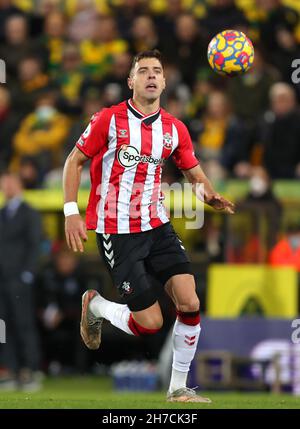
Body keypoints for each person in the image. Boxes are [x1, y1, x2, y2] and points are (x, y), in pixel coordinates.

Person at [62, 50, 235, 403]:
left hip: (157, 226)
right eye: (143, 71)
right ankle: (95, 306)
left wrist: (210, 195)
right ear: (131, 81)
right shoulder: (108, 120)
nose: (151, 76)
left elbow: (193, 172)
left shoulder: (174, 128)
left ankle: (178, 389)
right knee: (150, 322)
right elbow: (74, 160)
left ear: (165, 82)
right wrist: (70, 212)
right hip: (117, 231)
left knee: (189, 301)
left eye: (157, 70)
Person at [0, 171, 42, 391]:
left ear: (18, 184)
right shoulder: (2, 213)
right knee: (3, 326)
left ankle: (30, 369)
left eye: (7, 182)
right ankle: (9, 369)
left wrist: (27, 274)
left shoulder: (29, 213)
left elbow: (36, 245)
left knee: (24, 324)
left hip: (19, 279)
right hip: (2, 280)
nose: (4, 186)